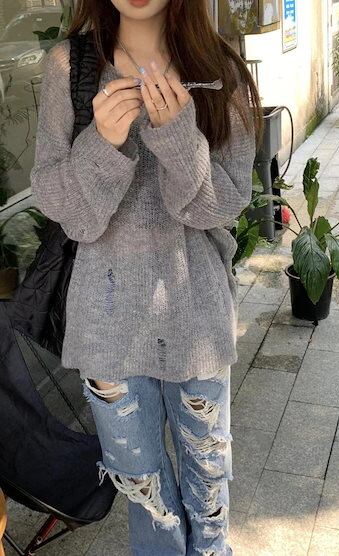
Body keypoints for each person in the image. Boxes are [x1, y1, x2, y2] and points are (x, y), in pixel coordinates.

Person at [30, 0, 263, 553]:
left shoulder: (219, 71)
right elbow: (63, 208)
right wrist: (102, 145)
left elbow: (224, 206)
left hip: (197, 321)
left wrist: (178, 137)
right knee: (148, 500)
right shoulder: (70, 68)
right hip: (107, 330)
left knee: (209, 494)